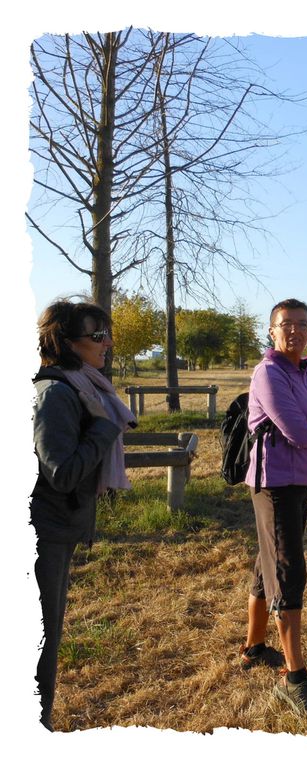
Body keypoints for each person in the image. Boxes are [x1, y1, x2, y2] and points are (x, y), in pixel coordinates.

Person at [31, 300, 135, 730]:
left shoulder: (82, 386)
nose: (107, 343)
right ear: (68, 343)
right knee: (41, 643)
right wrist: (103, 430)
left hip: (59, 527)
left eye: (106, 335)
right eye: (98, 336)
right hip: (44, 532)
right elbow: (62, 471)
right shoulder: (57, 393)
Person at [240, 298, 307, 724]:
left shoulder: (304, 371)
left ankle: (252, 648)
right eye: (287, 325)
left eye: (303, 324)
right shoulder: (269, 373)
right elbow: (304, 430)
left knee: (271, 566)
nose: (295, 331)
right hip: (275, 484)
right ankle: (294, 676)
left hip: (298, 481)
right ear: (272, 331)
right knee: (287, 570)